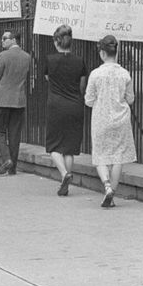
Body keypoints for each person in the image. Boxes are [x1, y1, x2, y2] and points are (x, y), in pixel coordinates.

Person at [84, 35, 136, 209]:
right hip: (121, 119)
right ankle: (112, 192)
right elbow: (130, 98)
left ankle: (106, 186)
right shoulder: (125, 74)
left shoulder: (95, 74)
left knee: (100, 155)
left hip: (101, 119)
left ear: (102, 53)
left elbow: (89, 100)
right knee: (118, 156)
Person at [45, 25, 88, 196]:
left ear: (57, 41)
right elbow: (82, 85)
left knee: (53, 145)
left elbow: (48, 78)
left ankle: (64, 174)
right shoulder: (80, 61)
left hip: (56, 105)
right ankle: (67, 184)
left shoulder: (50, 60)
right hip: (75, 105)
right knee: (69, 147)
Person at [0, 29, 31, 176]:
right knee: (15, 133)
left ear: (14, 40)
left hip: (2, 99)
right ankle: (13, 168)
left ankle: (6, 159)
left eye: (4, 38)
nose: (2, 41)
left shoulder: (3, 56)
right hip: (19, 100)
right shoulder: (27, 57)